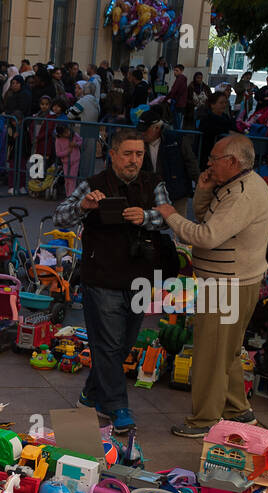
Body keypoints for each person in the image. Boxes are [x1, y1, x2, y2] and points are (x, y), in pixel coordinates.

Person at [53, 126, 172, 434]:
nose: (135, 160)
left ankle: (90, 395)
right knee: (107, 345)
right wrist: (84, 205)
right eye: (128, 154)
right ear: (114, 155)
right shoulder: (93, 184)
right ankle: (119, 407)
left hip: (141, 278)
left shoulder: (154, 182)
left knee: (122, 345)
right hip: (102, 276)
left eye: (140, 154)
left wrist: (145, 217)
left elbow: (168, 216)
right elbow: (60, 216)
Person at [155, 134, 268, 436]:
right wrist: (204, 191)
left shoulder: (243, 194)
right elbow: (208, 217)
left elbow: (205, 235)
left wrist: (171, 215)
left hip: (228, 285)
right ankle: (238, 410)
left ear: (233, 162)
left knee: (210, 354)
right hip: (231, 282)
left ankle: (205, 420)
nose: (208, 164)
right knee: (227, 352)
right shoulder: (233, 186)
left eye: (214, 158)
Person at [138, 109, 198, 216]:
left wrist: (199, 183)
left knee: (180, 226)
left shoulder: (177, 140)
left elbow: (191, 163)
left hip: (177, 191)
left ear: (156, 128)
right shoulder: (139, 143)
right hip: (151, 192)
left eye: (145, 130)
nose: (142, 133)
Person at [196, 92, 235, 168]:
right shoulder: (206, 117)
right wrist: (227, 131)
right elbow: (210, 129)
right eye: (221, 103)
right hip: (208, 153)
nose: (224, 105)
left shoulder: (226, 117)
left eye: (225, 103)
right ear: (212, 105)